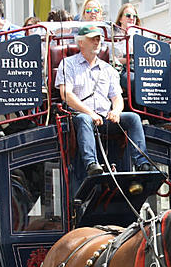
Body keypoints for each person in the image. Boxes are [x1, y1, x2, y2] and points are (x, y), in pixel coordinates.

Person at [55, 24, 153, 176]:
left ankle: (142, 163)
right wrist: (90, 113)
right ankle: (91, 164)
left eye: (99, 39)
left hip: (105, 118)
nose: (97, 42)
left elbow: (117, 97)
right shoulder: (68, 64)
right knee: (84, 119)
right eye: (92, 39)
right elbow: (66, 95)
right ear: (81, 42)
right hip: (79, 117)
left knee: (133, 118)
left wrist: (116, 111)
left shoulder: (108, 69)